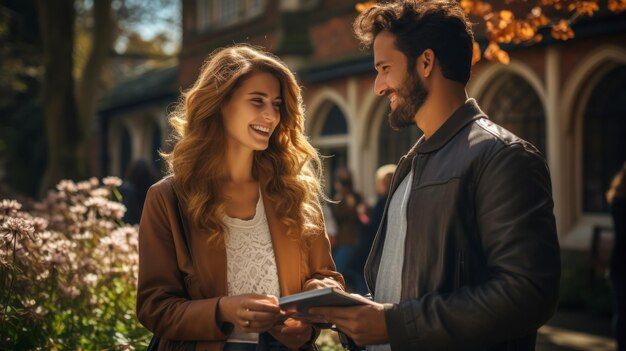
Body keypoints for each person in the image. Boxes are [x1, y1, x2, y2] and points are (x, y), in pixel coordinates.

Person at [310, 1, 561, 350]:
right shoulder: (411, 163)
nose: (378, 87)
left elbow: (528, 294)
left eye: (384, 68)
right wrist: (355, 315)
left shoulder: (503, 158)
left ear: (426, 62)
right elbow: (405, 291)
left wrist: (392, 324)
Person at [136, 44, 344, 351]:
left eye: (276, 104)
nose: (271, 115)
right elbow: (154, 306)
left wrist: (308, 318)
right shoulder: (168, 198)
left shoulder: (294, 193)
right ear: (221, 103)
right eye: (257, 101)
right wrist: (222, 310)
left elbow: (327, 277)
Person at [350, 164, 396, 295]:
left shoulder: (382, 202)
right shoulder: (396, 199)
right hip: (390, 246)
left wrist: (361, 217)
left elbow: (374, 228)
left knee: (356, 270)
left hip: (376, 246)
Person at [330, 167, 367, 291]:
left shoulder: (349, 197)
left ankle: (362, 291)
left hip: (349, 240)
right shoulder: (343, 196)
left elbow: (351, 217)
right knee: (349, 269)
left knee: (339, 269)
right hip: (344, 240)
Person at [607, 162, 626, 351]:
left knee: (621, 312)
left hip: (618, 263)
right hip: (621, 264)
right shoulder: (620, 203)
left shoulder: (616, 200)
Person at [119, 159, 159, 224]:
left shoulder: (127, 189)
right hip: (147, 225)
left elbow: (126, 214)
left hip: (129, 226)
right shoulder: (153, 188)